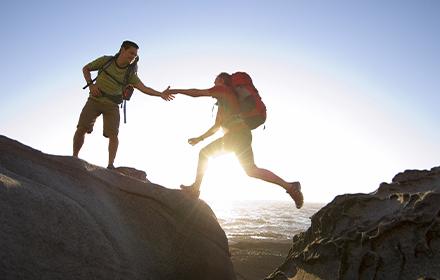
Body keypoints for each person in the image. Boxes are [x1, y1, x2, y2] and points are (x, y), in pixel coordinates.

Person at [167, 73, 304, 208]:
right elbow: (216, 127)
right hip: (242, 135)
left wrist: (175, 91)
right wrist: (200, 138)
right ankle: (291, 187)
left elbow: (197, 92)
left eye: (215, 80)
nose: (213, 83)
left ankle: (195, 189)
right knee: (251, 170)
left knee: (204, 154)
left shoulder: (223, 89)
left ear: (221, 80)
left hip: (236, 136)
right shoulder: (223, 102)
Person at [73, 40, 174, 169]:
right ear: (122, 50)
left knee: (113, 135)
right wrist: (91, 85)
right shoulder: (106, 61)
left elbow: (144, 88)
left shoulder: (130, 74)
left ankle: (110, 165)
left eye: (135, 55)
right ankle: (74, 158)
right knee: (82, 128)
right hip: (94, 100)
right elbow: (86, 68)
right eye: (131, 53)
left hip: (112, 105)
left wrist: (160, 94)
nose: (133, 57)